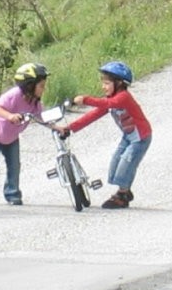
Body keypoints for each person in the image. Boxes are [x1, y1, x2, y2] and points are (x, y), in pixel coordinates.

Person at [63, 61, 151, 209]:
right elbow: (93, 115)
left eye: (107, 83)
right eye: (103, 83)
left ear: (119, 83)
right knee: (115, 163)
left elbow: (107, 104)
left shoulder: (123, 97)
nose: (103, 87)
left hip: (140, 138)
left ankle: (122, 195)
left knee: (126, 163)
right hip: (128, 136)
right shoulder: (112, 101)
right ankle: (125, 191)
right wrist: (69, 128)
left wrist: (85, 99)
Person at [0, 63, 50, 206]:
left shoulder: (35, 102)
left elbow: (41, 118)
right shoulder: (14, 95)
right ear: (30, 86)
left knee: (14, 165)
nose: (44, 89)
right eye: (41, 86)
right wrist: (10, 116)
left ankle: (12, 193)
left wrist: (57, 127)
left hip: (11, 135)